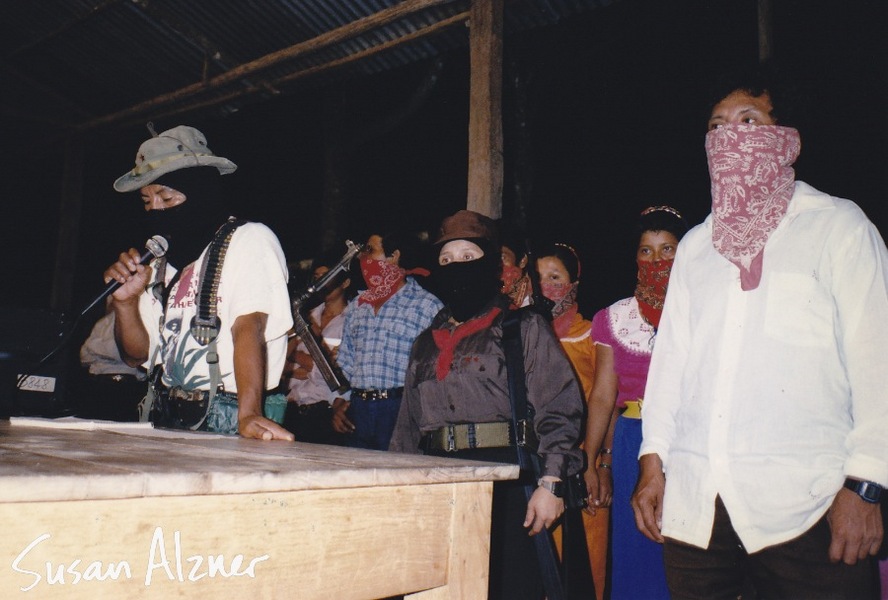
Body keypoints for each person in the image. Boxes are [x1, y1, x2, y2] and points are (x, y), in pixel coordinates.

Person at [633, 67, 888, 599]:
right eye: (717, 127)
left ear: (786, 140)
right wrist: (653, 463)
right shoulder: (697, 248)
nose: (731, 138)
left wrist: (866, 487)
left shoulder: (839, 227)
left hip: (811, 507)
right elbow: (672, 366)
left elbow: (878, 361)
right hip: (699, 510)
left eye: (749, 120)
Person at [389, 210, 586, 600]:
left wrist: (552, 482)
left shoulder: (520, 328)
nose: (456, 267)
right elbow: (407, 428)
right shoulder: (424, 343)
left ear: (491, 264)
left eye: (467, 257)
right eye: (446, 260)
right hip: (439, 482)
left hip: (508, 483)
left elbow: (560, 407)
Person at [103, 125, 294, 440]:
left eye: (166, 197)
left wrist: (249, 414)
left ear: (200, 190)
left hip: (230, 415)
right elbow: (137, 356)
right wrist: (125, 304)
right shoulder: (159, 259)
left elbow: (250, 327)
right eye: (147, 201)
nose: (157, 211)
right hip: (165, 415)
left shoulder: (249, 240)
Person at [580, 206, 687, 600]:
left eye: (667, 250)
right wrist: (593, 461)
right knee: (638, 551)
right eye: (647, 251)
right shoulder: (614, 317)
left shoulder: (702, 309)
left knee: (687, 553)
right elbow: (604, 396)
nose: (656, 260)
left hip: (687, 441)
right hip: (632, 442)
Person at [534, 241, 608, 600]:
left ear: (574, 282)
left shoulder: (591, 335)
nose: (547, 286)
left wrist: (600, 462)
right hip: (537, 469)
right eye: (539, 278)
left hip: (582, 469)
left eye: (555, 277)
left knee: (581, 571)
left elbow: (607, 403)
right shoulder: (525, 334)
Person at [331, 231, 442, 450]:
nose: (363, 258)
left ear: (394, 256)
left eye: (371, 251)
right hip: (358, 411)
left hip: (401, 409)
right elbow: (346, 362)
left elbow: (435, 370)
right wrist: (337, 403)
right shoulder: (357, 306)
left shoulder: (427, 306)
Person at [281, 247, 354, 444]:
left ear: (345, 282)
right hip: (292, 408)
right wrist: (303, 365)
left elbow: (334, 372)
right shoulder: (305, 315)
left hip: (325, 412)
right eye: (317, 277)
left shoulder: (352, 320)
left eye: (327, 277)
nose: (321, 283)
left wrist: (304, 362)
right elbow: (280, 361)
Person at [76, 310, 147, 421]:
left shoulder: (143, 318)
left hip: (130, 389)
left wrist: (100, 351)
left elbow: (135, 357)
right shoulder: (104, 321)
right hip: (102, 386)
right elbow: (84, 357)